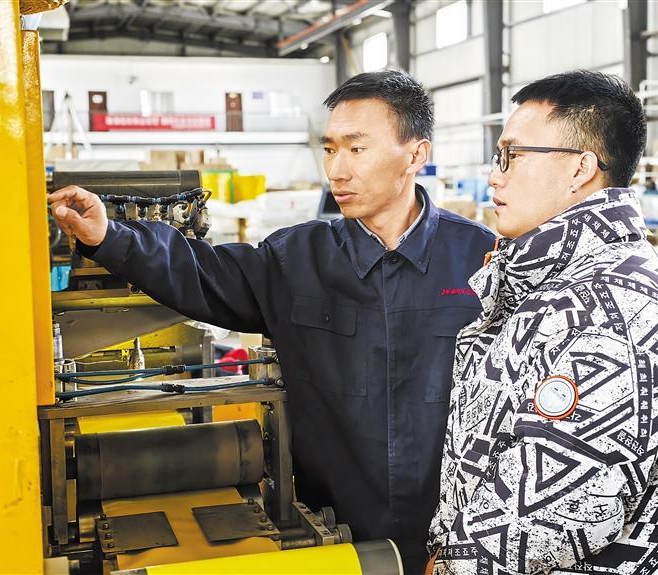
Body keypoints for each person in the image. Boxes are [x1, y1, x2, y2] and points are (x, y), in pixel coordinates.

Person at [49, 70, 495, 573]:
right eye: (330, 150)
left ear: (415, 155)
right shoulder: (296, 259)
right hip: (336, 532)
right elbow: (201, 273)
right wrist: (109, 236)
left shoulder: (482, 258)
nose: (337, 171)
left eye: (356, 149)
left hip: (457, 533)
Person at [428, 70, 658, 574]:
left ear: (580, 167)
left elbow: (557, 514)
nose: (495, 176)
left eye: (513, 155)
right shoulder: (557, 283)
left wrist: (453, 565)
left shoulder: (612, 307)